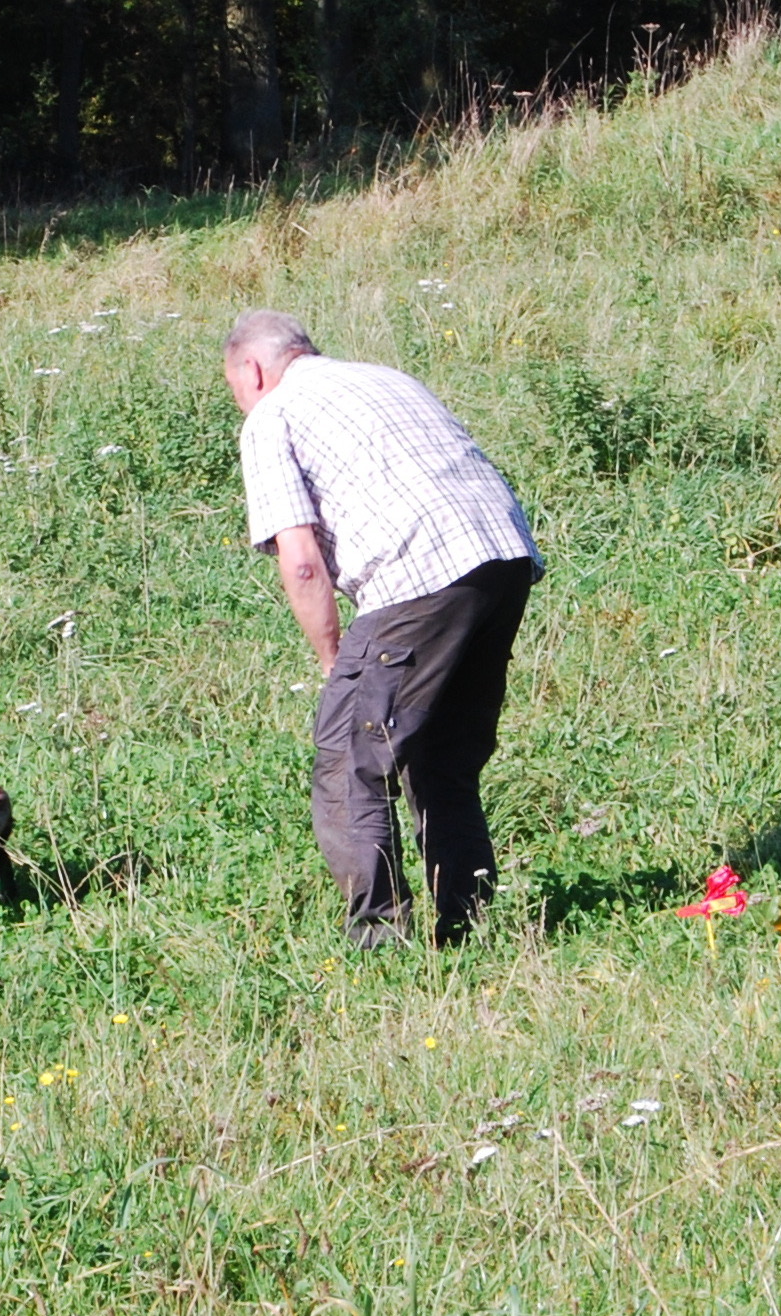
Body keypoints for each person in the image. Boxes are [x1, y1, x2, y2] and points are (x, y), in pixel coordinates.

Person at [223, 309, 543, 948]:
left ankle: (381, 942)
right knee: (441, 757)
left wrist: (334, 657)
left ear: (254, 370)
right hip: (502, 560)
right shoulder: (385, 378)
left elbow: (303, 560)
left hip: (417, 575)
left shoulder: (272, 416)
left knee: (347, 758)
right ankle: (469, 925)